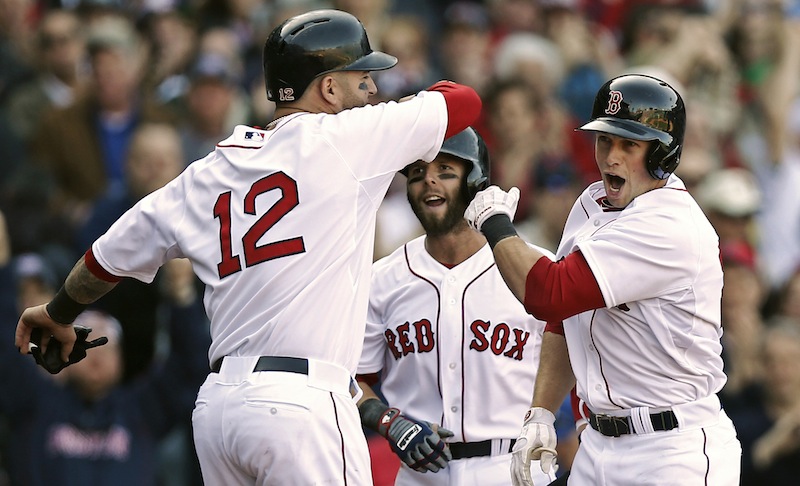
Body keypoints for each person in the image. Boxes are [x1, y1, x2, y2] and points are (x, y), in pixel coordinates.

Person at [14, 8, 482, 486]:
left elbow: (106, 257)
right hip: (303, 404)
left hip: (219, 409)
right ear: (327, 87)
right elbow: (464, 101)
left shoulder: (206, 172)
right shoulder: (347, 138)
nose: (371, 90)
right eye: (362, 78)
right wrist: (399, 105)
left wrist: (59, 312)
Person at [463, 73, 742, 485]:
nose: (611, 156)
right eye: (605, 140)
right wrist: (541, 411)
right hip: (599, 443)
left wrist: (497, 225)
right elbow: (565, 317)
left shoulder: (669, 224)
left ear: (662, 155)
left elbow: (549, 294)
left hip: (672, 448)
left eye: (629, 144)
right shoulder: (594, 200)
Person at [356, 127, 558, 485]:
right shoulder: (382, 279)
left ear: (475, 181)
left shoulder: (531, 268)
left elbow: (572, 358)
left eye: (445, 172)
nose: (429, 182)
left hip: (512, 466)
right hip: (420, 474)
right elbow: (349, 378)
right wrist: (388, 421)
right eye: (417, 174)